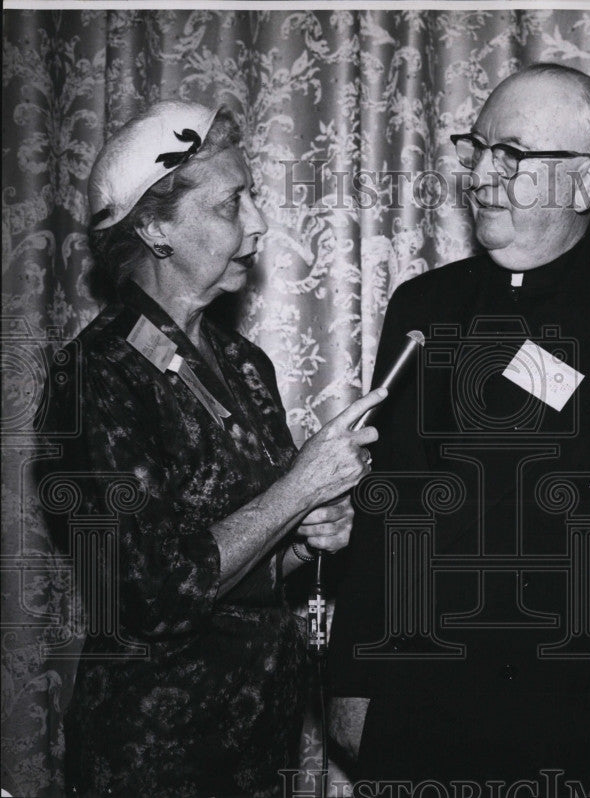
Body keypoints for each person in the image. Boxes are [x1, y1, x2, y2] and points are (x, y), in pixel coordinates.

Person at [327, 63, 590, 795]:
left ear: (586, 183)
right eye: (475, 148)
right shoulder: (423, 307)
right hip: (415, 714)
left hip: (573, 726)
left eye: (510, 154)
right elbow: (386, 516)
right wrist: (351, 684)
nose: (480, 174)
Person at [35, 100, 385, 797]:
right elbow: (155, 593)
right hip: (154, 760)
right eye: (232, 204)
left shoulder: (244, 362)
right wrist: (300, 488)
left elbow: (247, 570)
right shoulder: (94, 377)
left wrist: (306, 538)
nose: (257, 222)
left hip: (258, 744)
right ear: (157, 227)